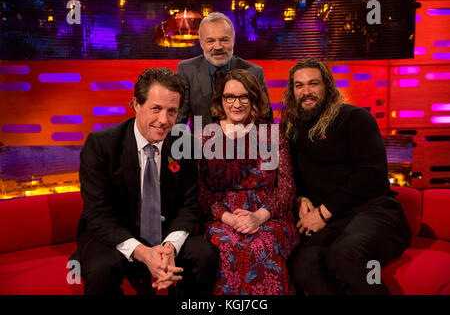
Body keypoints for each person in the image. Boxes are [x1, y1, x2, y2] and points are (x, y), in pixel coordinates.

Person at [74, 67, 218, 295]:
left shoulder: (185, 144)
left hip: (166, 232)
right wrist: (143, 253)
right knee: (102, 270)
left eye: (172, 111)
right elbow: (97, 214)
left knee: (205, 255)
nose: (164, 120)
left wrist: (170, 247)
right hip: (114, 233)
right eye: (156, 109)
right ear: (136, 105)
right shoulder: (101, 144)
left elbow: (190, 206)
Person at [280, 58, 411, 295]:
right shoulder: (290, 128)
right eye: (299, 86)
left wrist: (322, 212)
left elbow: (371, 174)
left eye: (313, 84)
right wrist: (299, 197)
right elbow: (289, 175)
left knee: (344, 254)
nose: (306, 92)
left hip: (375, 212)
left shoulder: (355, 118)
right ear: (292, 91)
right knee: (303, 266)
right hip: (334, 221)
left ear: (328, 86)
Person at [197, 69, 299, 295]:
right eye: (229, 97)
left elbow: (286, 187)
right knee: (227, 243)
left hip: (269, 214)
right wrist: (230, 218)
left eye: (244, 96)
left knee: (264, 241)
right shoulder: (203, 136)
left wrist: (259, 216)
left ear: (254, 98)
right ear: (220, 100)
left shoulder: (272, 134)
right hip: (222, 215)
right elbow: (203, 191)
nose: (237, 103)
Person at [176, 12, 273, 128]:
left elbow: (266, 122)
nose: (218, 47)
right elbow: (178, 122)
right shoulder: (187, 70)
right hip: (200, 144)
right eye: (210, 41)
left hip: (244, 143)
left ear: (233, 40)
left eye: (224, 40)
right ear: (201, 43)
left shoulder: (254, 72)